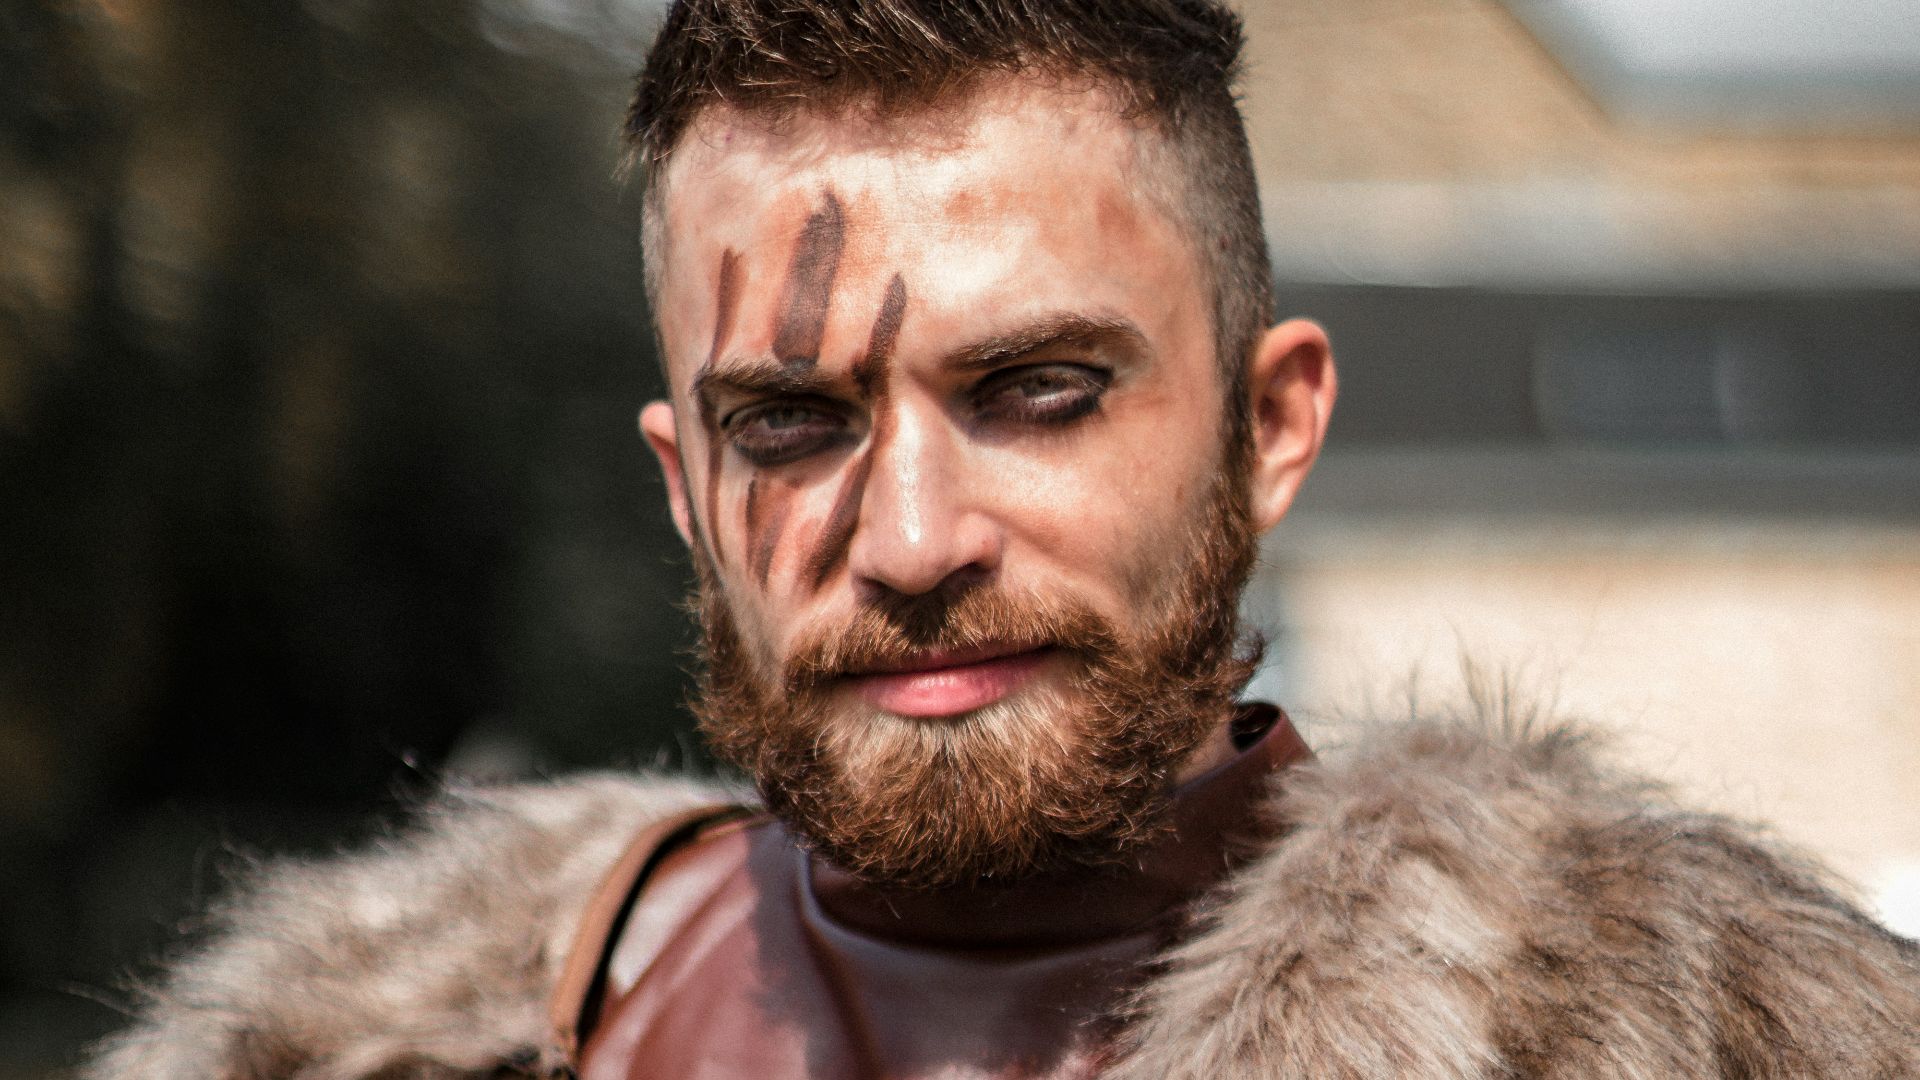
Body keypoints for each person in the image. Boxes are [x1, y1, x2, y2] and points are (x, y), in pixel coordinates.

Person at [86, 1, 1920, 1077]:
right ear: (679, 488)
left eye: (1041, 387)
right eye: (790, 424)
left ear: (1271, 430)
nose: (907, 538)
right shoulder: (399, 1043)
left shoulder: (1689, 1035)